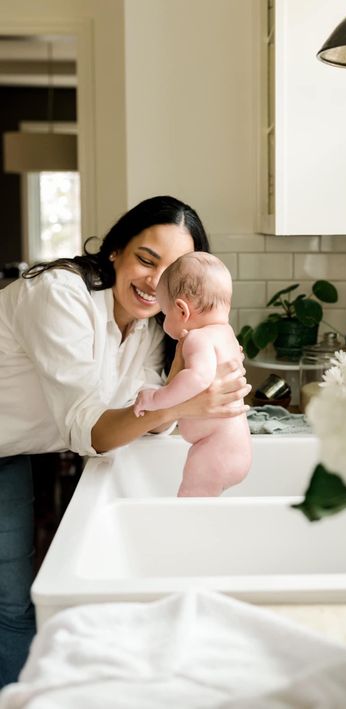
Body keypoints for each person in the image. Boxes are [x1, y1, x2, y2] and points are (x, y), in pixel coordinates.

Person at [0, 196, 251, 687]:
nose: (154, 282)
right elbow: (92, 429)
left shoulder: (152, 325)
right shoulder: (60, 295)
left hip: (26, 445)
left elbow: (148, 421)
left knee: (17, 597)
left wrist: (191, 362)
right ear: (116, 249)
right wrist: (183, 405)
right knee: (12, 603)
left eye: (172, 271)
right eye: (145, 259)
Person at [134, 252, 252, 496]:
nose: (164, 322)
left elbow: (198, 378)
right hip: (233, 447)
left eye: (165, 314)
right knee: (201, 509)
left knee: (189, 504)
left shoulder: (198, 338)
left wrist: (156, 398)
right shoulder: (226, 334)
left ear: (181, 311)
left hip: (215, 449)